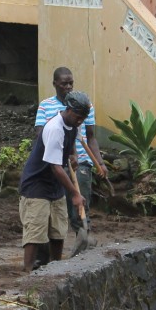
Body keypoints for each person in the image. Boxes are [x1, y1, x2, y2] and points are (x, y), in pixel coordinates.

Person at [19, 91, 91, 272]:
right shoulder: (54, 128)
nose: (80, 121)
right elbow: (56, 167)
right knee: (36, 232)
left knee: (58, 231)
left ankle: (55, 268)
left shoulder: (73, 124)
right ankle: (27, 270)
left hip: (55, 184)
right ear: (68, 110)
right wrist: (75, 194)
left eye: (83, 118)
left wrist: (73, 155)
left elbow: (71, 143)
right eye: (78, 117)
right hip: (36, 185)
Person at [35, 67, 108, 238]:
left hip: (80, 161)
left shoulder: (84, 104)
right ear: (55, 84)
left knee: (80, 204)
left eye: (71, 83)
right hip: (55, 161)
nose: (68, 87)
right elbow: (40, 135)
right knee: (55, 206)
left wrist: (100, 162)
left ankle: (83, 237)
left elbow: (90, 137)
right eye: (64, 84)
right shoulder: (46, 105)